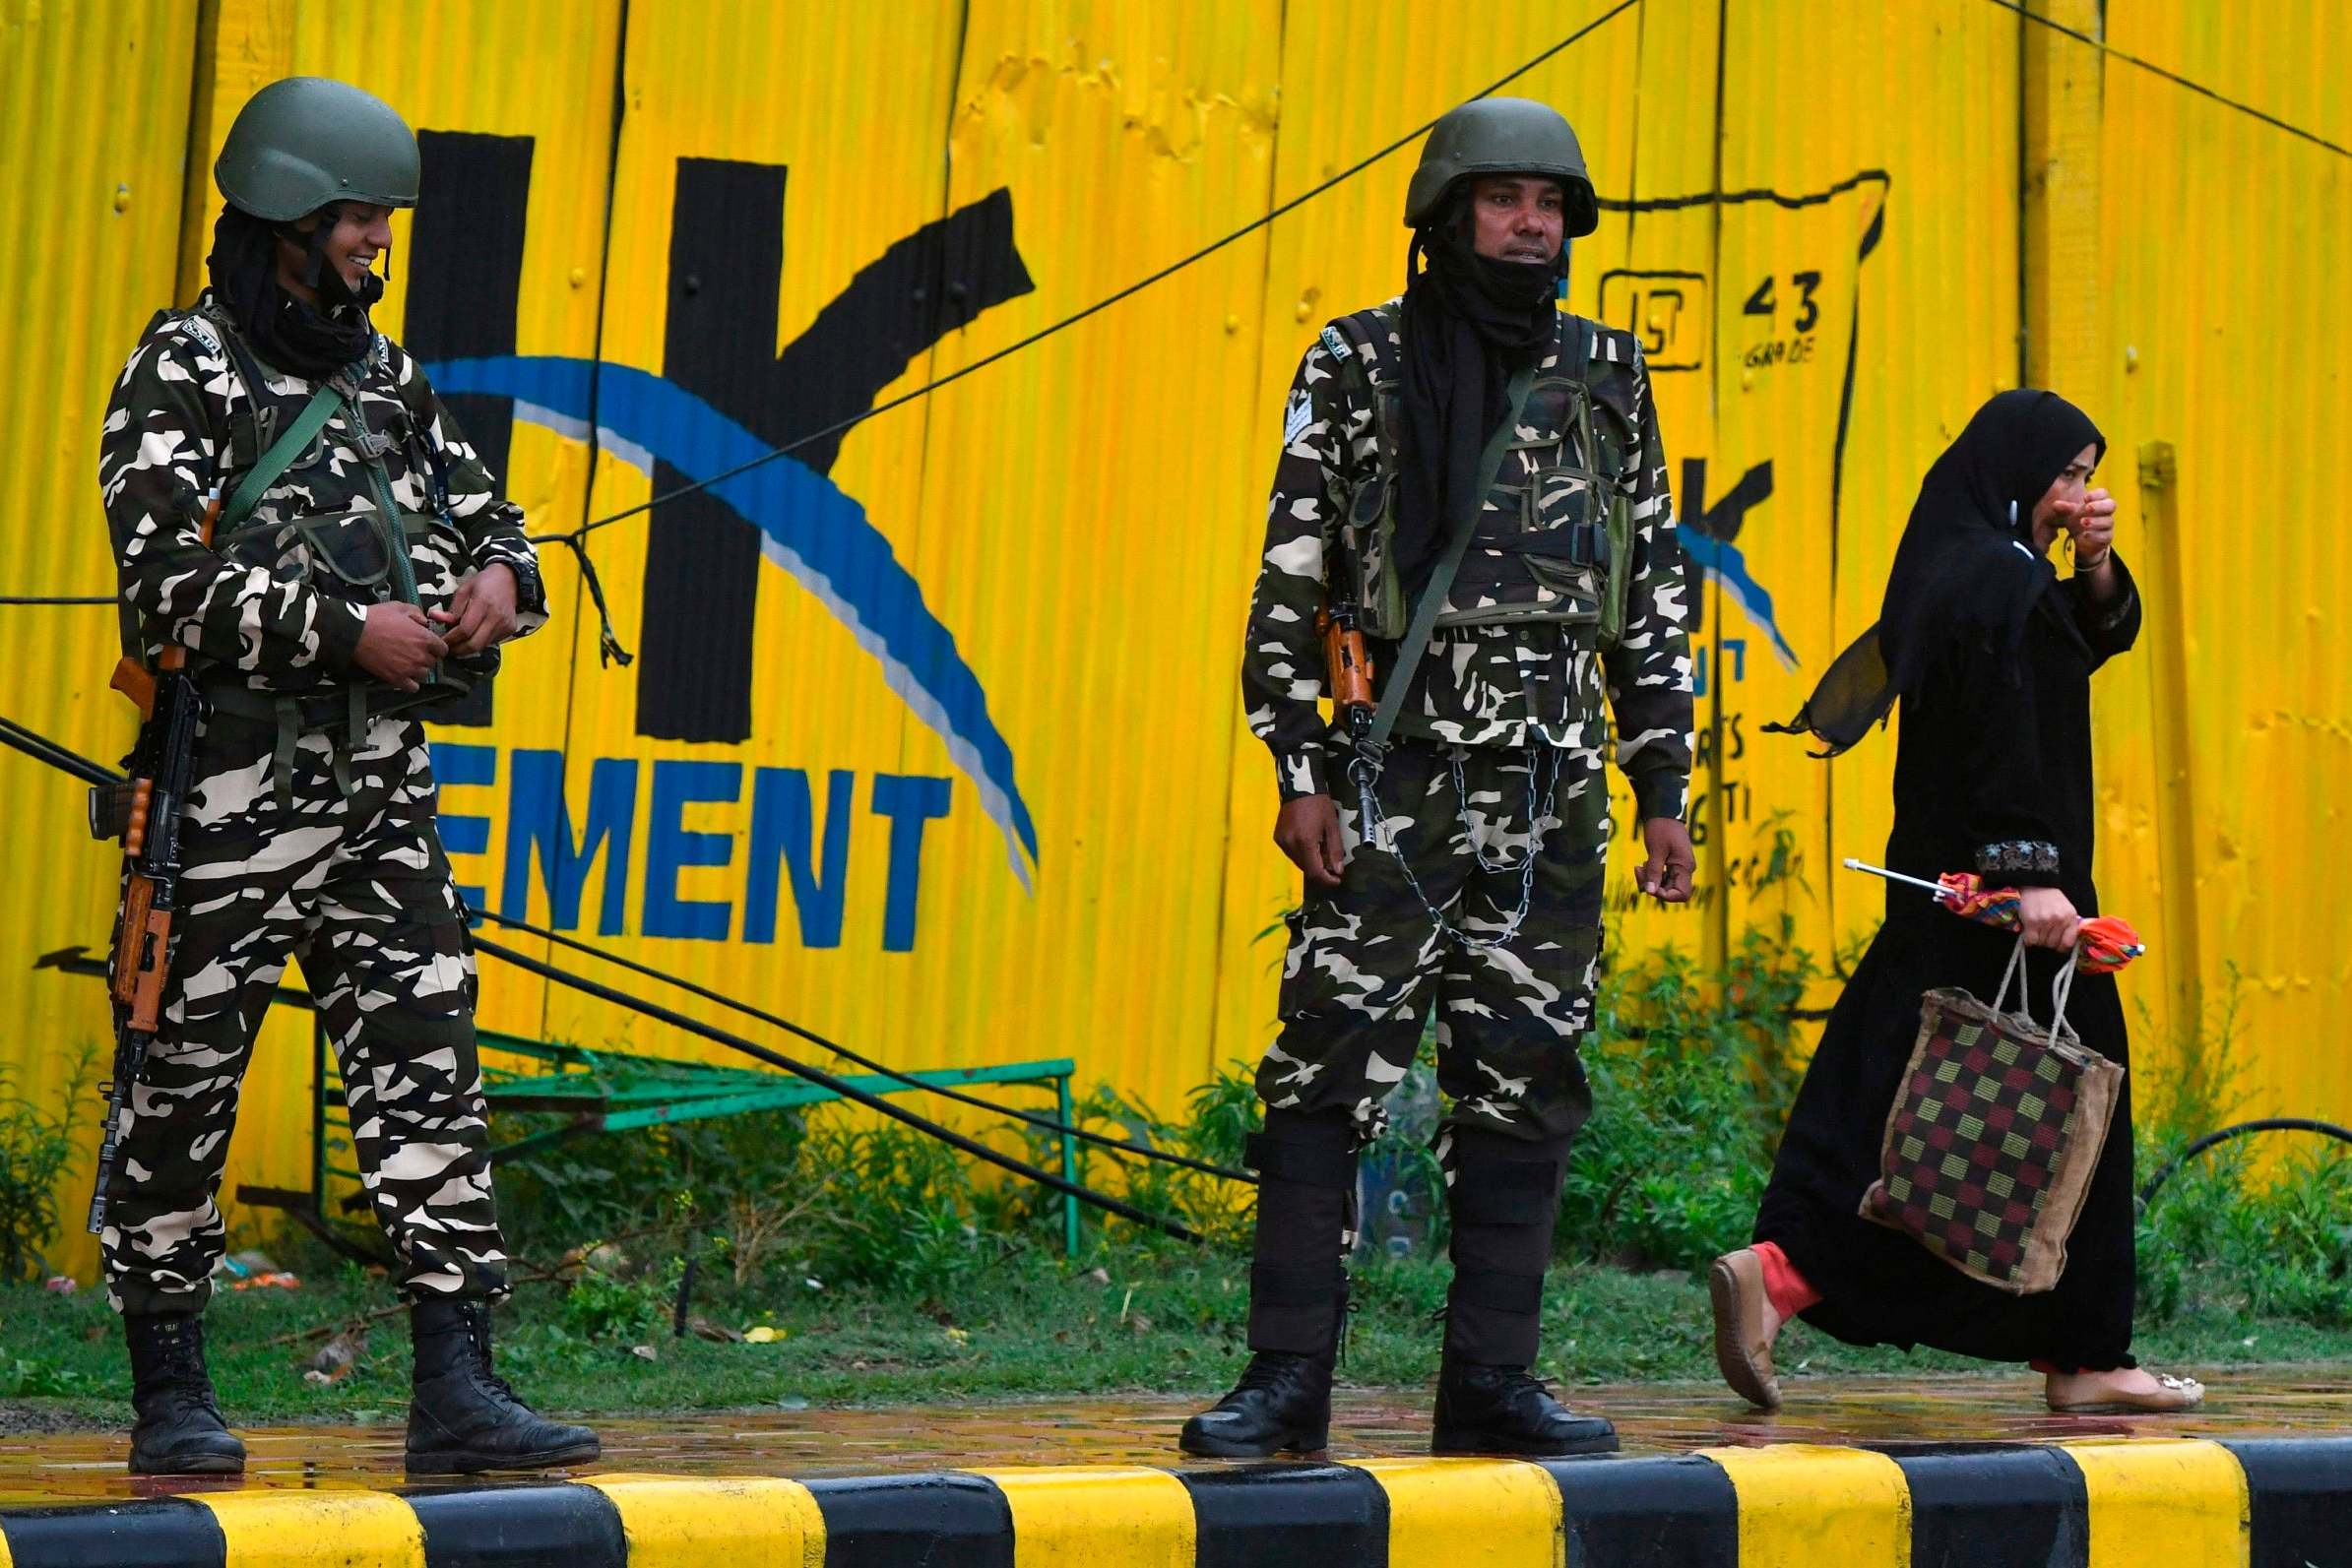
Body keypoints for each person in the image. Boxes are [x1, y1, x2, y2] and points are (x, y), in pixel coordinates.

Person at [95, 76, 599, 1474]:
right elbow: (161, 591)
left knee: (428, 1076)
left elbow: (490, 510)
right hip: (226, 802)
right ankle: (172, 1391)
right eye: (361, 215)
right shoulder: (183, 366)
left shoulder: (384, 376)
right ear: (285, 215)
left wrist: (503, 576)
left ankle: (459, 1385)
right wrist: (343, 630)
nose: (381, 239)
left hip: (381, 802)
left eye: (382, 216)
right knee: (182, 1087)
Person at [1182, 97, 1695, 1460]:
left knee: (1527, 1079)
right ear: (1446, 213)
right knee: (1325, 1070)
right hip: (1389, 774)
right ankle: (1286, 1381)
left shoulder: (1606, 374)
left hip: (1551, 784)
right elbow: (1291, 579)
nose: (1532, 224)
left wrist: (1662, 785)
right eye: (1505, 199)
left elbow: (1647, 593)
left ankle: (1492, 1385)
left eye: (1552, 204)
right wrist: (1300, 769)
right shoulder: (1357, 361)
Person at [1711, 389, 2200, 1414]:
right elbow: (2002, 725)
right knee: (2066, 1117)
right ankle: (2084, 1355)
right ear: (2016, 475)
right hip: (2009, 906)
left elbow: (2071, 644)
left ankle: (1785, 1274)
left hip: (1950, 895)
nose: (2079, 495)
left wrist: (2095, 567)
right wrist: (2032, 877)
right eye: (2066, 475)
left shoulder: (1978, 563)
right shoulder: (1992, 575)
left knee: (1910, 1114)